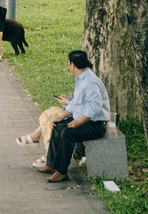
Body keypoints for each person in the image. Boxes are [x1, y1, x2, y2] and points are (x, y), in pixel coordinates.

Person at [36, 50, 110, 182]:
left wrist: (79, 122)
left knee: (67, 134)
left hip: (96, 124)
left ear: (73, 65)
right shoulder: (81, 77)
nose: (68, 65)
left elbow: (96, 107)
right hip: (83, 119)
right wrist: (61, 116)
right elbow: (76, 102)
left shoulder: (90, 82)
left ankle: (62, 171)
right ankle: (52, 164)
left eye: (68, 63)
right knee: (57, 127)